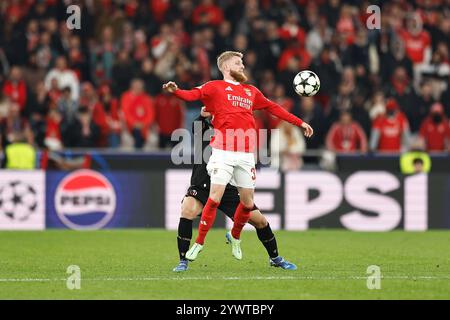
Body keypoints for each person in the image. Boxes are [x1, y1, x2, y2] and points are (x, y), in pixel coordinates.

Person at [163, 51, 313, 261]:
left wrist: (299, 122)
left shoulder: (250, 92)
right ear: (226, 67)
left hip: (239, 167)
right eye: (238, 63)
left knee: (256, 216)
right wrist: (176, 91)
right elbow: (192, 95)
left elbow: (274, 108)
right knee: (193, 207)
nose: (242, 66)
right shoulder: (211, 96)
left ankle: (269, 254)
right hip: (210, 174)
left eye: (242, 63)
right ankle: (186, 257)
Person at [173, 107, 296, 272]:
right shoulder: (204, 131)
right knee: (187, 209)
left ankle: (275, 258)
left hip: (228, 188)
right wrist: (203, 114)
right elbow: (197, 124)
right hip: (202, 187)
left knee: (260, 221)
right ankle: (183, 261)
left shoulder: (235, 136)